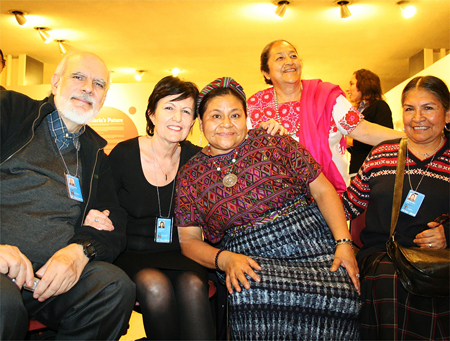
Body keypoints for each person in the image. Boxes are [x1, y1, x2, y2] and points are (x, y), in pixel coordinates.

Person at [175, 77, 361, 340]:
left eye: (235, 115)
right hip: (249, 259)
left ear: (246, 118)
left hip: (312, 245)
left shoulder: (274, 141)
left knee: (342, 292)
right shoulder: (190, 175)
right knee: (250, 292)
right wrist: (225, 259)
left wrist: (344, 243)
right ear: (201, 122)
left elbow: (322, 189)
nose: (226, 124)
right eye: (216, 116)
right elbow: (189, 241)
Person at [0, 51, 136, 340]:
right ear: (55, 82)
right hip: (2, 270)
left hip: (52, 278)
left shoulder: (96, 153)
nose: (89, 88)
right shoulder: (10, 112)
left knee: (114, 287)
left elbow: (116, 220)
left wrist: (80, 251)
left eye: (99, 84)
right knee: (3, 304)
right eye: (78, 77)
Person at [86, 76, 215, 340]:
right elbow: (102, 201)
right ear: (152, 114)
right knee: (155, 286)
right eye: (169, 107)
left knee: (193, 285)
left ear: (193, 122)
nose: (177, 117)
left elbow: (234, 156)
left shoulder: (197, 159)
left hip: (181, 252)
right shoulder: (124, 154)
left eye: (186, 110)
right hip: (132, 252)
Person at [342, 75, 450, 340]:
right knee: (389, 278)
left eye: (428, 108)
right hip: (383, 259)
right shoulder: (381, 155)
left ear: (447, 114)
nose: (417, 118)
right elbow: (347, 207)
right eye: (409, 109)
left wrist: (449, 234)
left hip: (439, 264)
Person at [247, 40, 404, 193]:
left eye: (293, 56)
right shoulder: (254, 107)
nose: (289, 61)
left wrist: (413, 139)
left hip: (330, 199)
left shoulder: (327, 97)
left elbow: (365, 131)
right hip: (279, 206)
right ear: (265, 72)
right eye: (280, 57)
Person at [346, 69, 393, 177]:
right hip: (358, 171)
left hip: (373, 172)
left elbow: (385, 140)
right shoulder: (358, 112)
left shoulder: (379, 106)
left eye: (352, 84)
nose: (347, 89)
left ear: (364, 84)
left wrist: (352, 141)